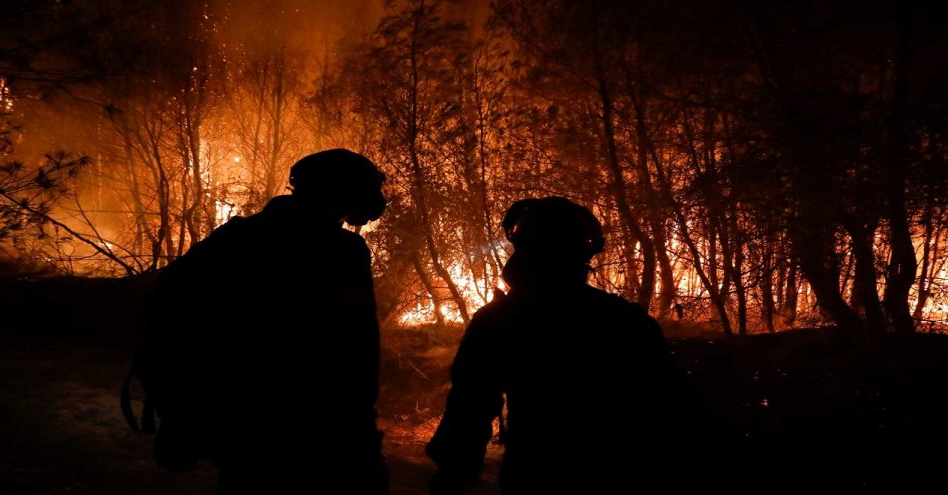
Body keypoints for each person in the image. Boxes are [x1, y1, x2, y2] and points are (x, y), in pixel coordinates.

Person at [140, 149, 389, 494]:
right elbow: (355, 351)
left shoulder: (235, 238)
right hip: (314, 429)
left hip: (242, 427)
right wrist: (361, 433)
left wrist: (178, 420)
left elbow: (174, 324)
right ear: (342, 194)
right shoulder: (340, 251)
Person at [426, 197, 696, 494]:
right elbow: (675, 406)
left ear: (524, 252)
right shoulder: (625, 319)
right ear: (585, 252)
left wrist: (451, 475)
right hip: (619, 475)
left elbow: (470, 407)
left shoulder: (500, 320)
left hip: (536, 475)